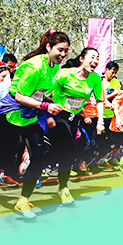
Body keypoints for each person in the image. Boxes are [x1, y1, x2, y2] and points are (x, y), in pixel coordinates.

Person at [0, 30, 69, 219]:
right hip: (11, 114)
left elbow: (38, 92)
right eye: (60, 50)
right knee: (6, 157)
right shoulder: (34, 67)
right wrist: (46, 106)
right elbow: (19, 96)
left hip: (30, 114)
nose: (63, 54)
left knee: (38, 156)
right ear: (48, 47)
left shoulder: (54, 66)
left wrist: (48, 101)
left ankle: (23, 201)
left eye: (66, 51)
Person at [47, 47, 104, 192]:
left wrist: (100, 122)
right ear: (82, 59)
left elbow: (99, 100)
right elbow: (46, 93)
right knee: (69, 150)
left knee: (65, 153)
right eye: (92, 57)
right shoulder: (65, 74)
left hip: (74, 119)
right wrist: (47, 112)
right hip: (58, 115)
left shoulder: (95, 78)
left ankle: (62, 187)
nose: (95, 61)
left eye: (97, 58)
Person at [101, 62, 122, 167]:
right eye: (112, 72)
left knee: (114, 139)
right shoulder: (100, 82)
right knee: (102, 139)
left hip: (112, 115)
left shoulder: (116, 82)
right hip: (101, 115)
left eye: (115, 73)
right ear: (107, 70)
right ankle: (99, 159)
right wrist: (112, 94)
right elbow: (100, 98)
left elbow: (118, 98)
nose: (113, 75)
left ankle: (110, 158)